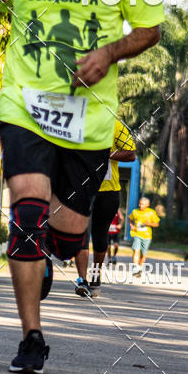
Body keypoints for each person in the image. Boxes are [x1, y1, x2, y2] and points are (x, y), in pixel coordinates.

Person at [0, 0, 164, 374]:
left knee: (69, 235)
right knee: (26, 217)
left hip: (88, 121)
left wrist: (109, 54)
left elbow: (150, 29)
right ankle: (31, 337)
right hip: (25, 107)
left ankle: (49, 251)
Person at [74, 119, 136, 298]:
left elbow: (130, 154)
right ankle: (81, 280)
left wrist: (107, 154)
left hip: (108, 191)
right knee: (80, 233)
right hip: (82, 190)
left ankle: (95, 276)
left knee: (100, 238)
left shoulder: (115, 125)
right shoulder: (76, 121)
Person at [129, 197, 161, 272]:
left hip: (147, 236)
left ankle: (140, 267)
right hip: (137, 234)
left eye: (142, 204)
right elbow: (130, 219)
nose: (140, 205)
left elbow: (157, 224)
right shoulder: (135, 211)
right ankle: (135, 266)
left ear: (147, 205)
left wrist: (148, 223)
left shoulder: (151, 212)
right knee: (136, 250)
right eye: (139, 204)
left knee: (143, 254)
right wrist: (131, 225)